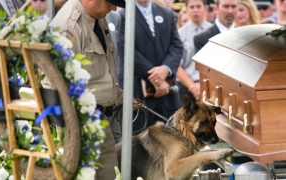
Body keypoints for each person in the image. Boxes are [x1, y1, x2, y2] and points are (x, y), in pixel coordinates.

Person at [50, 0, 138, 179]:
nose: (114, 8)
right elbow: (55, 83)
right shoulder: (70, 25)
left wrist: (120, 96)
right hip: (77, 125)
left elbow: (98, 74)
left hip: (98, 119)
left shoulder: (96, 16)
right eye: (111, 3)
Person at [117, 0, 183, 131]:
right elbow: (126, 49)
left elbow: (176, 46)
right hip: (138, 93)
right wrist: (156, 77)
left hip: (166, 94)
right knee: (138, 144)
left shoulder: (167, 14)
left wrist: (165, 69)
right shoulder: (122, 16)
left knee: (172, 140)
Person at [177, 0, 212, 101]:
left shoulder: (214, 31)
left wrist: (203, 85)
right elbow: (177, 65)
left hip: (211, 86)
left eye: (198, 6)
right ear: (187, 9)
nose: (195, 10)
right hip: (187, 86)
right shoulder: (180, 34)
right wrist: (193, 86)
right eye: (192, 7)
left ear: (205, 8)